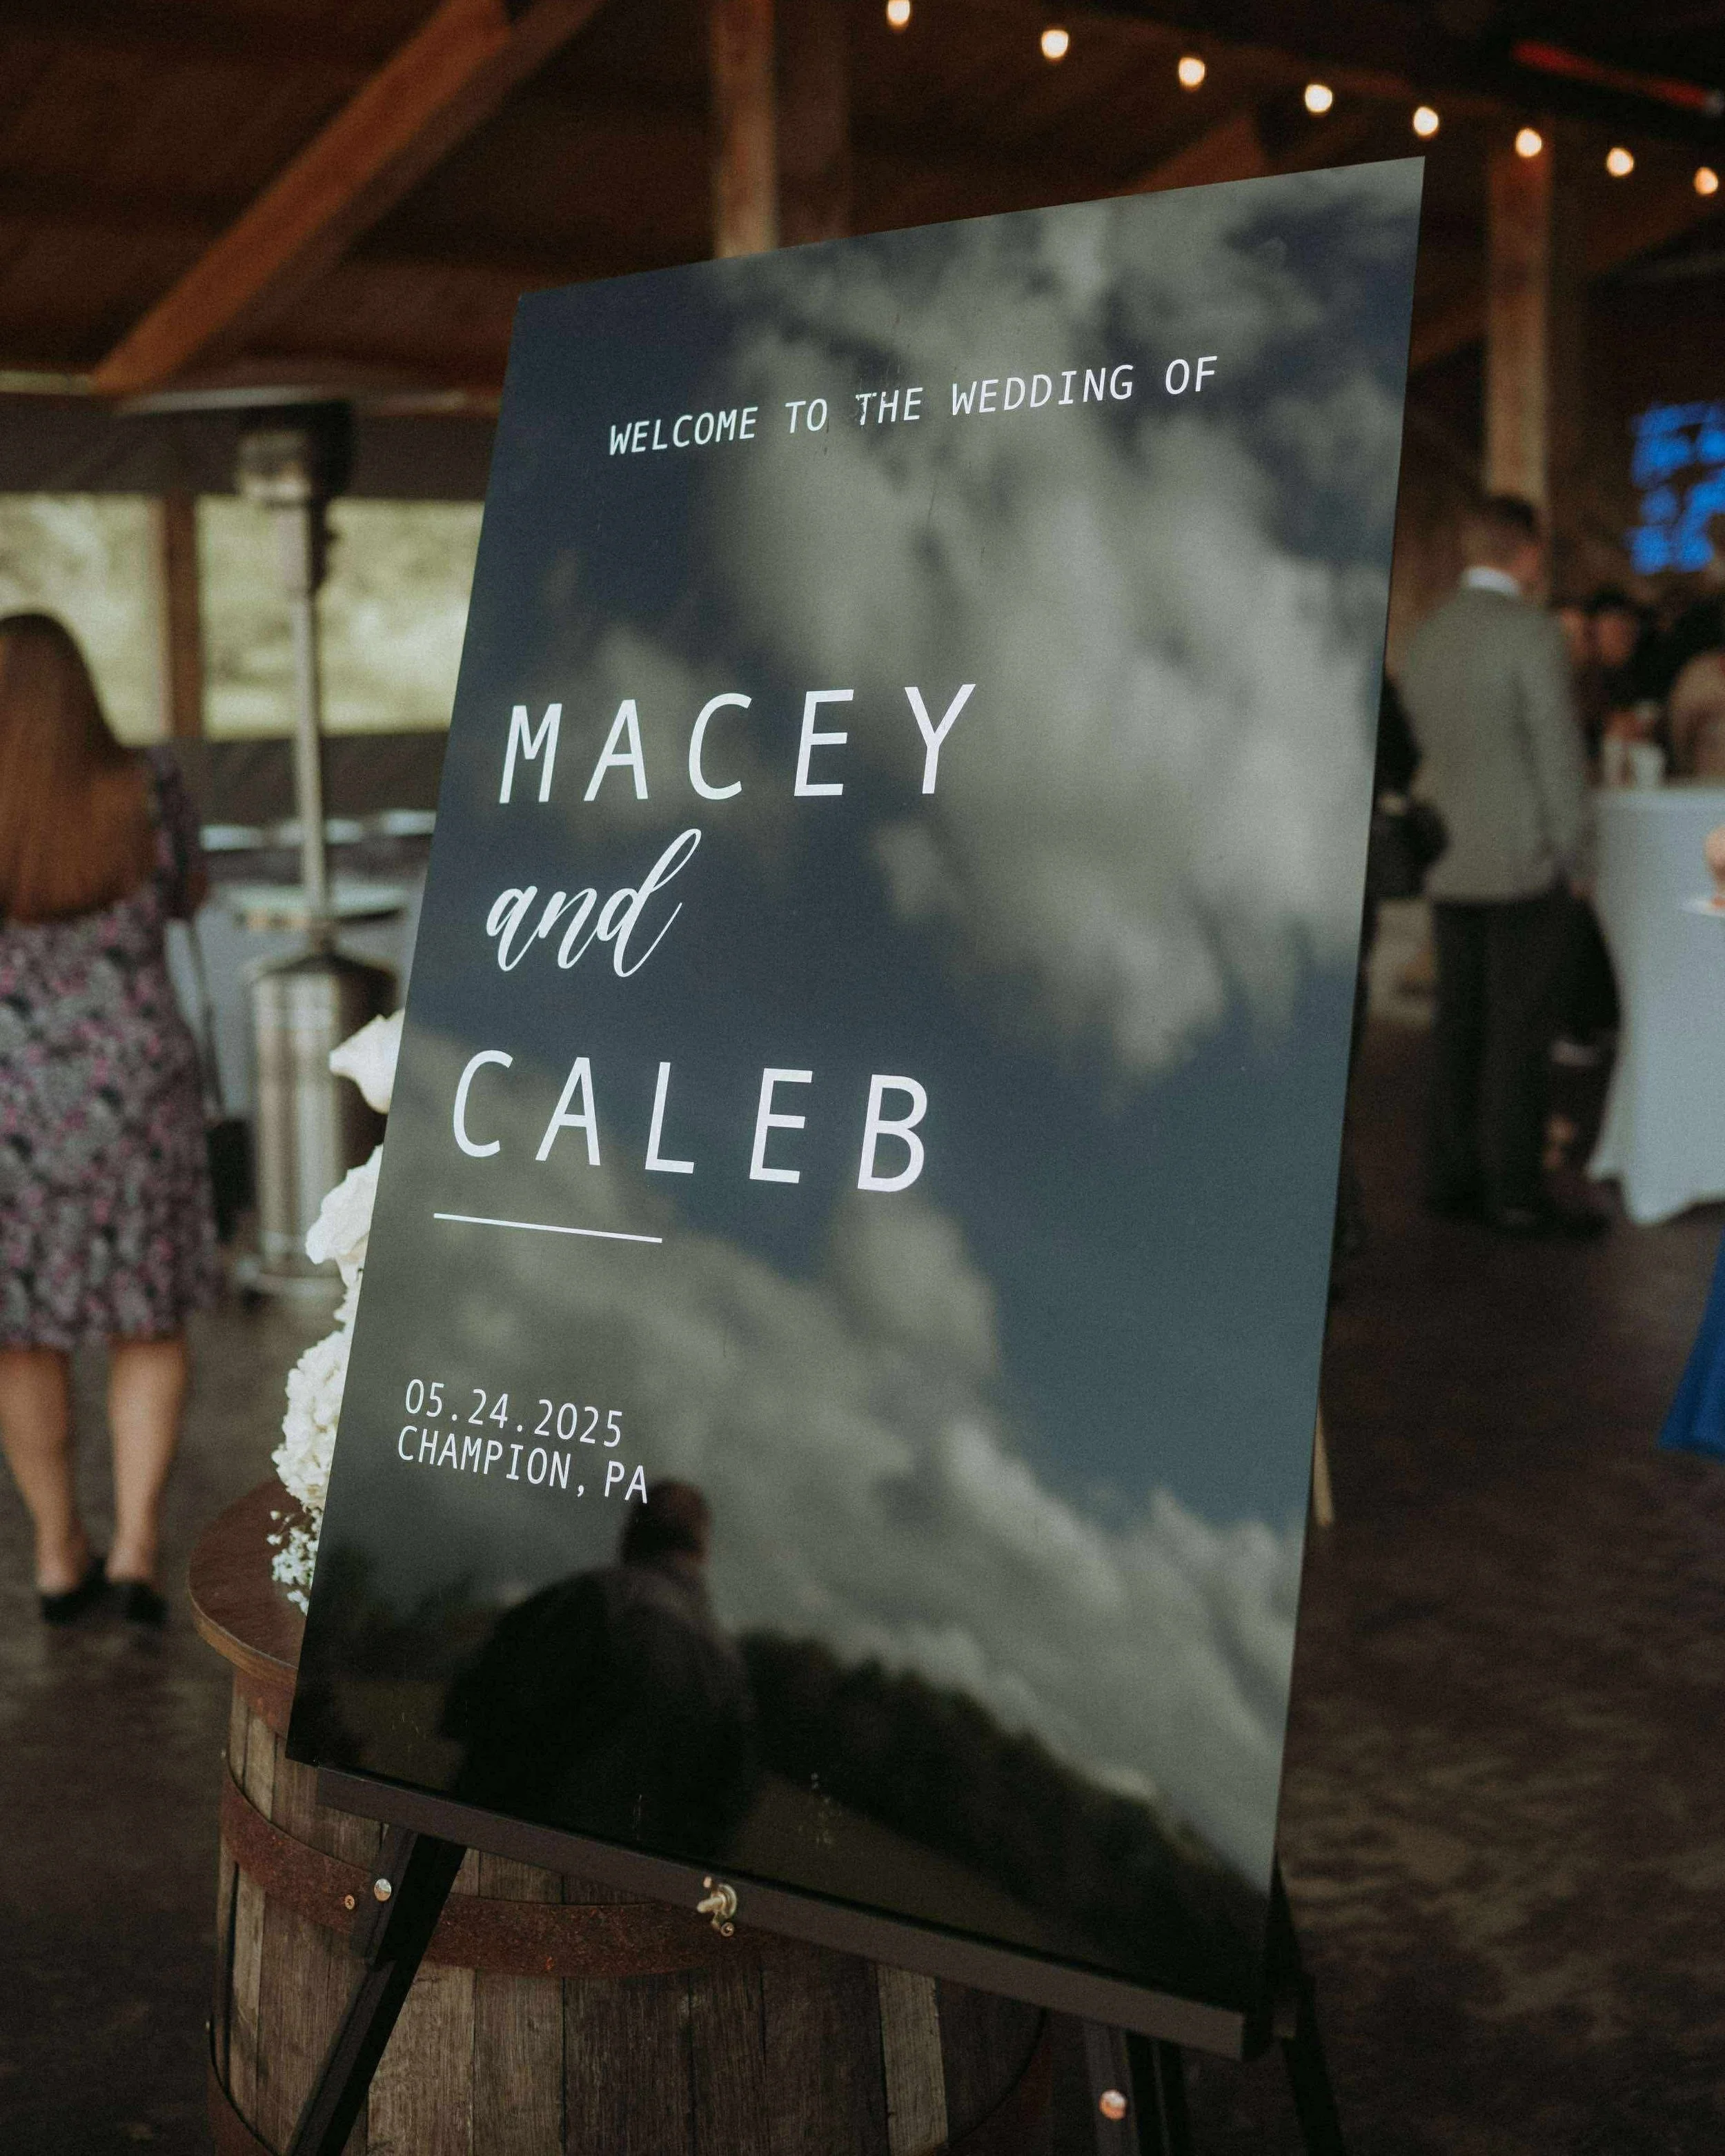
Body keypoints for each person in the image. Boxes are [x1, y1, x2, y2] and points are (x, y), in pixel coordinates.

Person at [0, 613, 219, 1624]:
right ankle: (134, 1551)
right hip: (138, 1087)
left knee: (21, 1336)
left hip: (13, 1098)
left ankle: (56, 1553)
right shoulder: (149, 782)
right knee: (146, 1317)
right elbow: (186, 894)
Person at [1399, 497, 1604, 1237]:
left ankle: (1451, 1180)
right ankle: (1515, 1192)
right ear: (1526, 552)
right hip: (1523, 862)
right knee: (1519, 1035)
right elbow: (1557, 758)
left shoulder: (1425, 635)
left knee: (1458, 1027)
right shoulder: (1530, 633)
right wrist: (1577, 854)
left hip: (1449, 858)